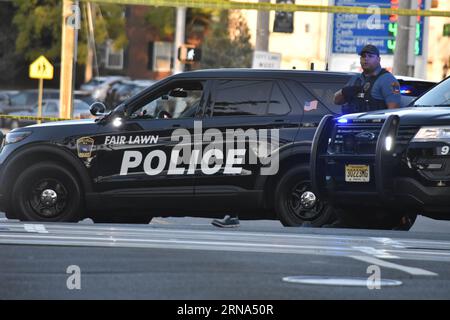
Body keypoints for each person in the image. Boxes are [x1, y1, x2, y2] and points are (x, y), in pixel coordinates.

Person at [334, 44, 401, 114]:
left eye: (370, 56)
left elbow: (393, 111)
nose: (366, 59)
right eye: (363, 56)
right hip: (353, 123)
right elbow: (336, 101)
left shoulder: (389, 80)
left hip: (375, 124)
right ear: (360, 60)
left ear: (378, 59)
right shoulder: (357, 79)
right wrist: (344, 92)